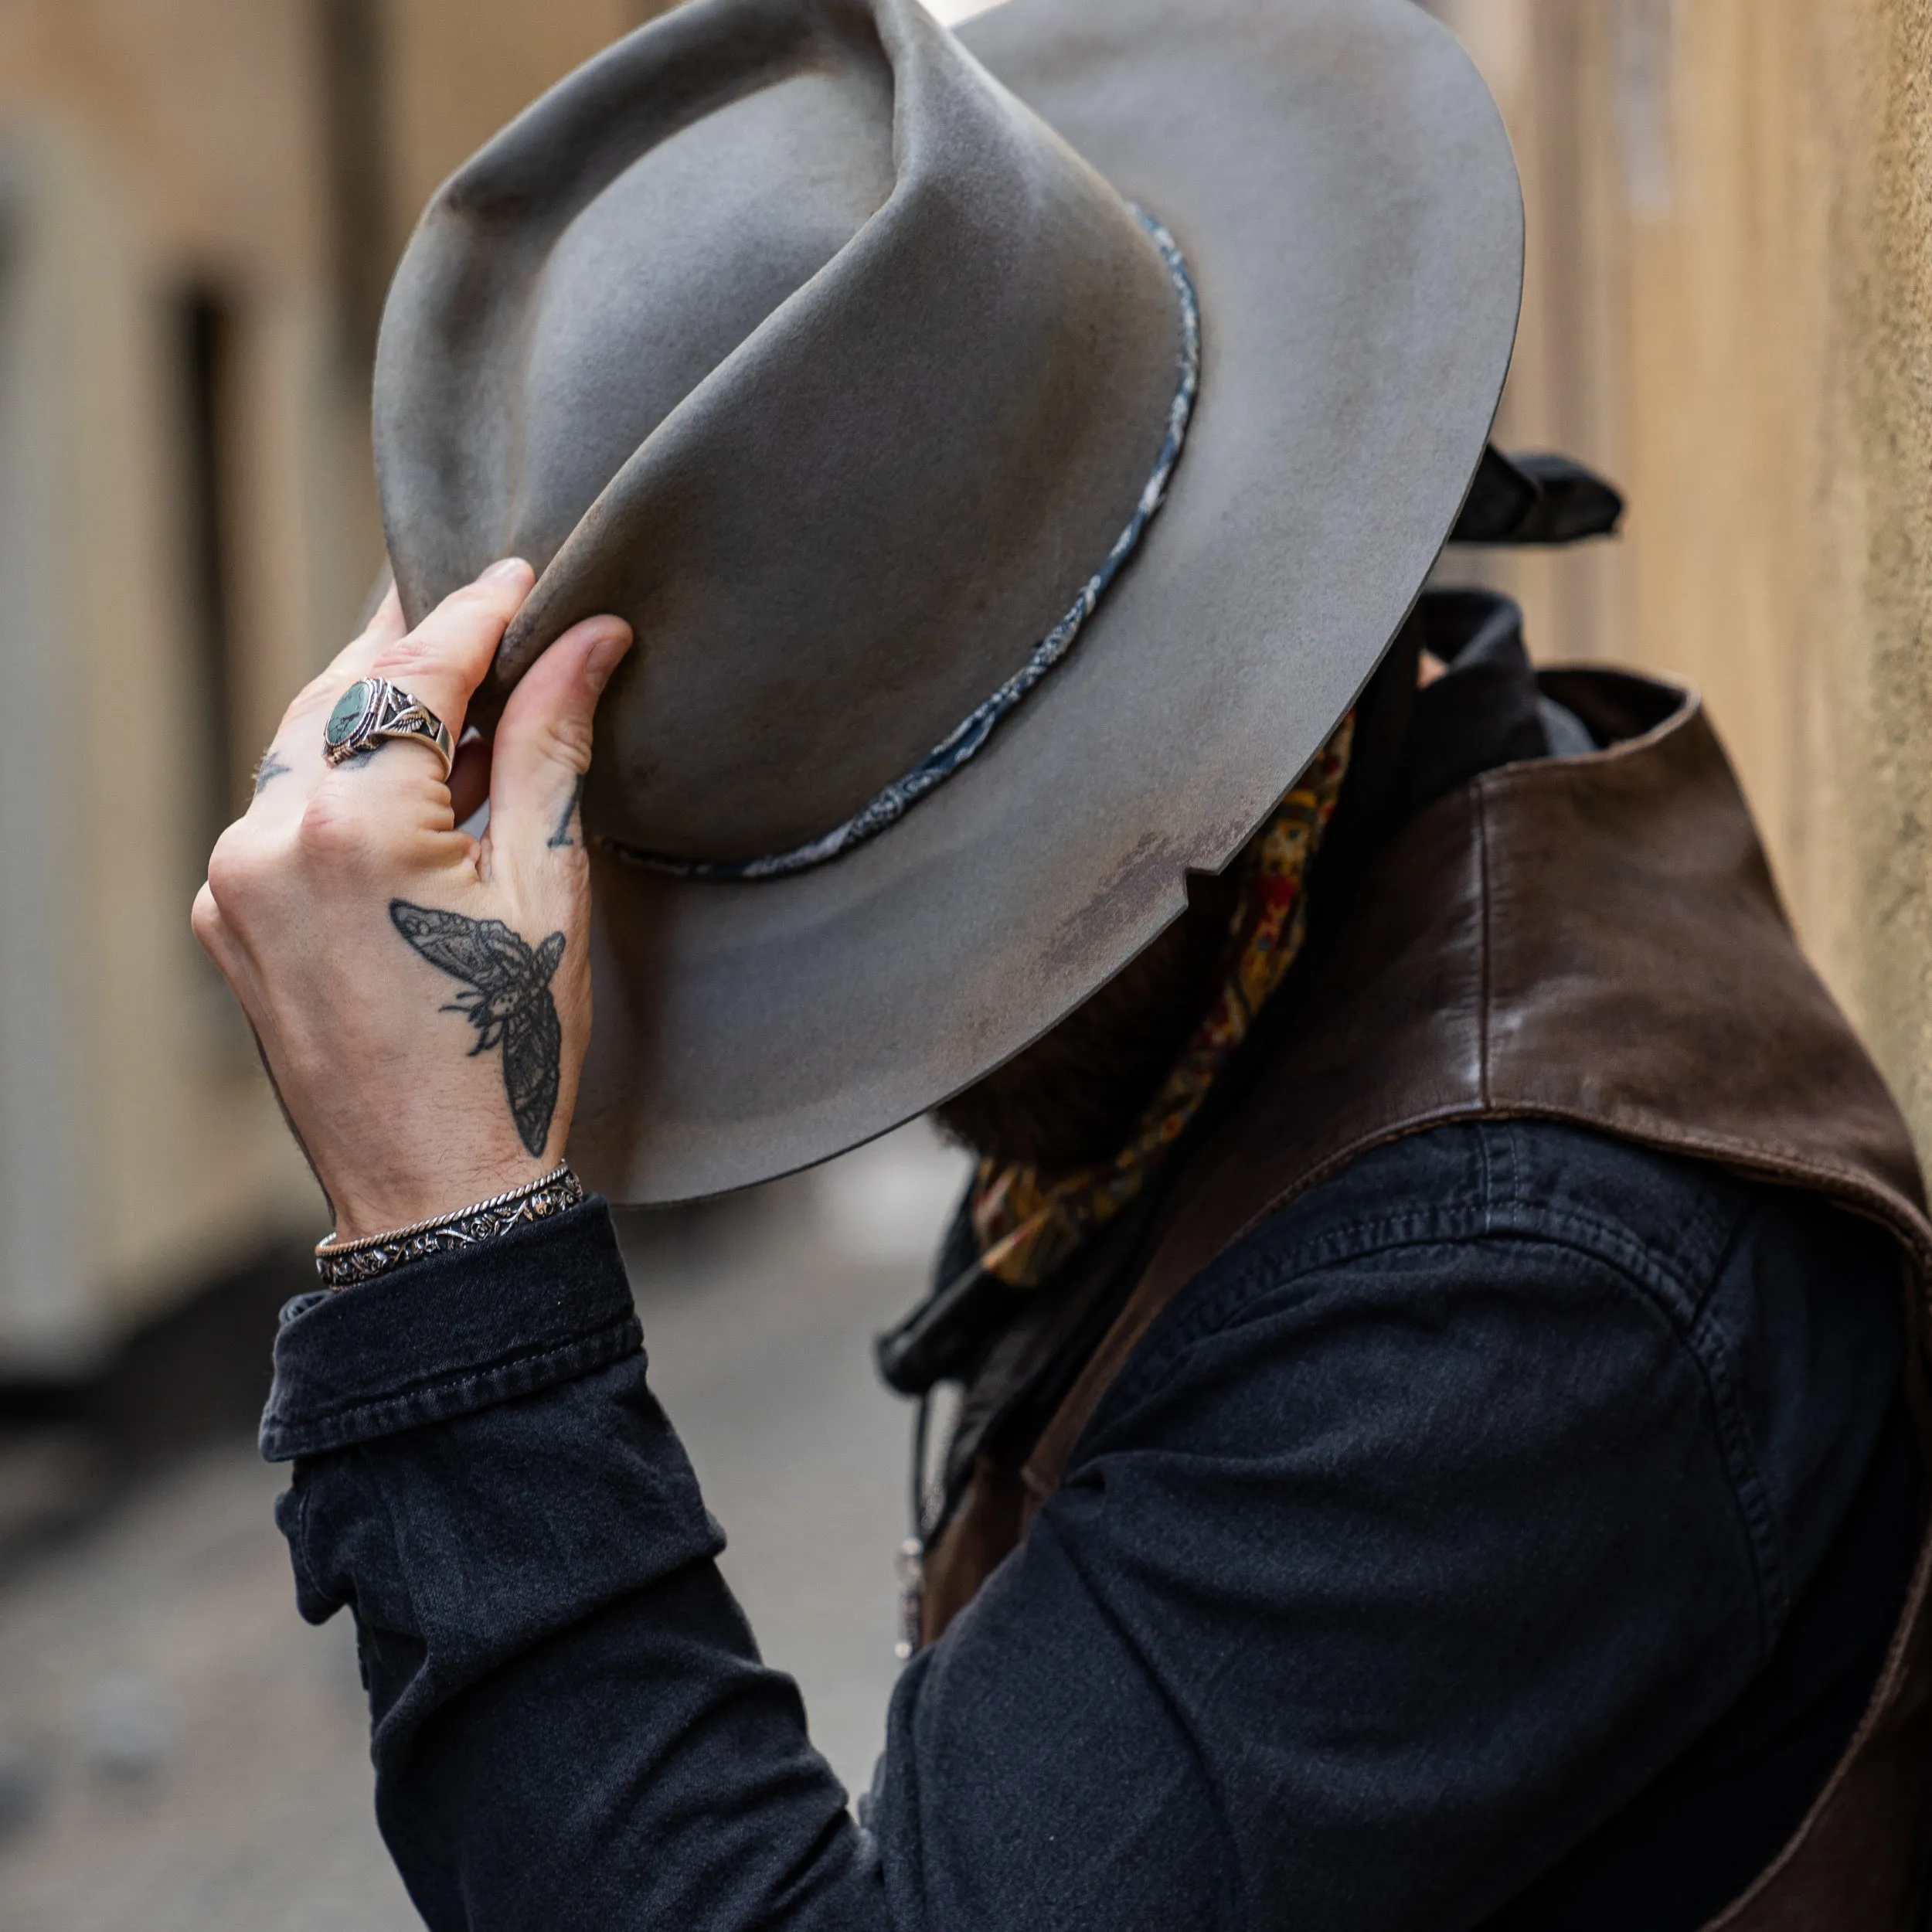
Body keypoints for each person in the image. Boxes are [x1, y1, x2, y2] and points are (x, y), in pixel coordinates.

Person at [194, 0, 1932, 1927]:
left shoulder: (1506, 1284)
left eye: (891, 930)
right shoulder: (1302, 937)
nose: (906, 1052)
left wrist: (447, 1243)